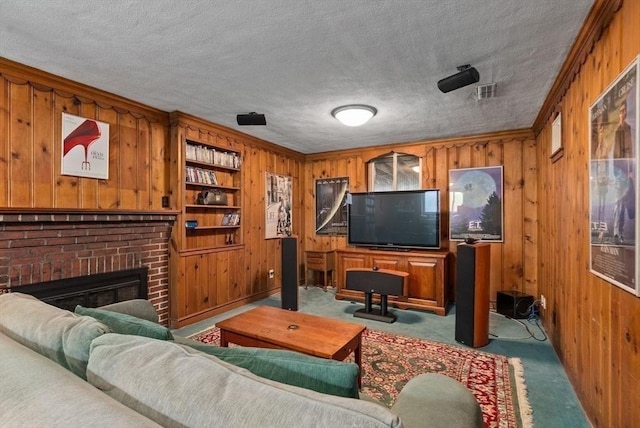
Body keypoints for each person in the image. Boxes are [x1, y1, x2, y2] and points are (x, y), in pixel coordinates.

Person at [611, 100, 634, 244]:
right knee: (618, 202)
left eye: (624, 111)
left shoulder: (628, 129)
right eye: (620, 111)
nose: (622, 113)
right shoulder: (616, 131)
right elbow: (614, 154)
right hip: (619, 172)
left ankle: (621, 232)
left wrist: (630, 171)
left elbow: (630, 151)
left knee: (626, 203)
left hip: (627, 172)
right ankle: (616, 232)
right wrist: (617, 172)